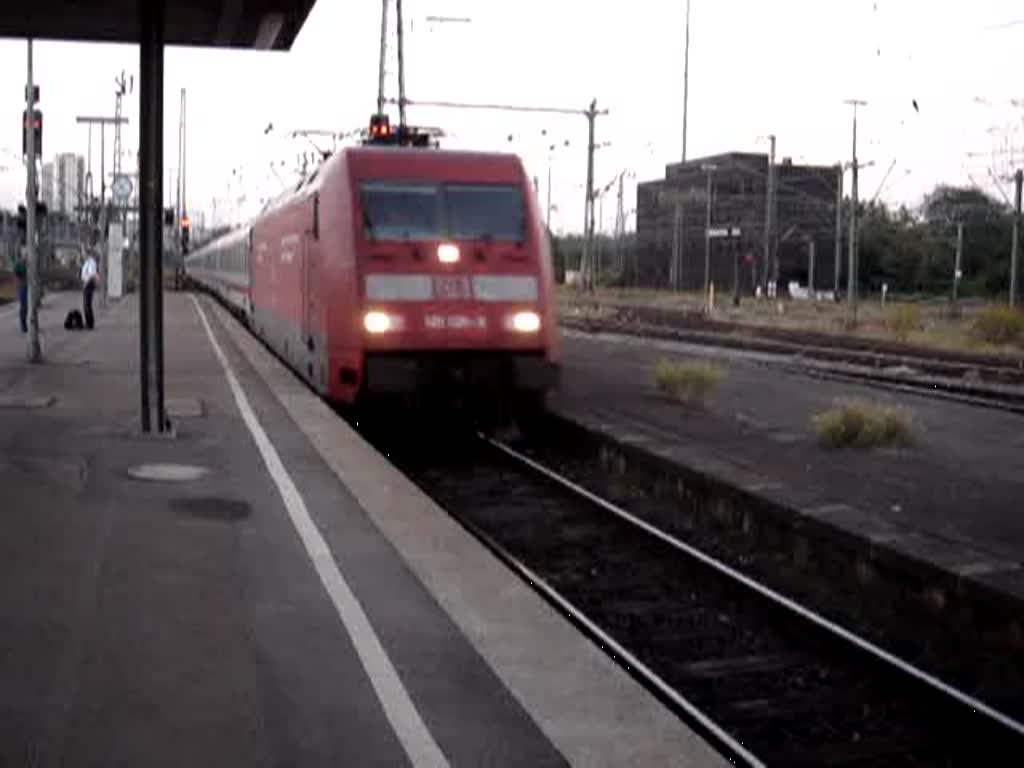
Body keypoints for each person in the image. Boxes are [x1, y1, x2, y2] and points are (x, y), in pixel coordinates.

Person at [81, 251, 99, 330]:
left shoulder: (91, 262)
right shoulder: (88, 262)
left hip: (89, 284)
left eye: (84, 254)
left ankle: (89, 323)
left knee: (87, 304)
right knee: (87, 304)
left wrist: (86, 283)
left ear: (88, 254)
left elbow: (92, 274)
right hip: (88, 283)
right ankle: (89, 322)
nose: (83, 255)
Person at [13, 248, 28, 333]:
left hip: (30, 287)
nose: (26, 255)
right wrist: (19, 282)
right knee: (24, 306)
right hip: (23, 287)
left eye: (27, 254)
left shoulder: (30, 264)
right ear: (22, 255)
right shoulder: (19, 264)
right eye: (25, 254)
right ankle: (23, 325)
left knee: (29, 307)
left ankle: (29, 324)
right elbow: (15, 274)